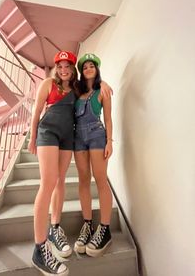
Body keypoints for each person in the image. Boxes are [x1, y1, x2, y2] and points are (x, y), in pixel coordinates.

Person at [28, 51, 78, 276]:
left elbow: (94, 87)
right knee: (47, 183)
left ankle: (54, 229)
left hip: (68, 136)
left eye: (68, 66)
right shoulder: (48, 83)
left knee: (60, 181)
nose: (63, 70)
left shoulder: (76, 89)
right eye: (60, 66)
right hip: (48, 132)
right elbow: (37, 110)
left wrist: (104, 84)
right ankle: (39, 249)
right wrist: (32, 137)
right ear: (56, 68)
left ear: (73, 68)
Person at [73, 53, 113, 257]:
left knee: (100, 180)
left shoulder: (102, 90)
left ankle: (104, 229)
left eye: (92, 66)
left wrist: (109, 142)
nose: (89, 68)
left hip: (97, 135)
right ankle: (87, 224)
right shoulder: (76, 91)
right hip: (78, 138)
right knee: (83, 181)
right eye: (85, 66)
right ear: (81, 71)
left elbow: (108, 118)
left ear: (97, 69)